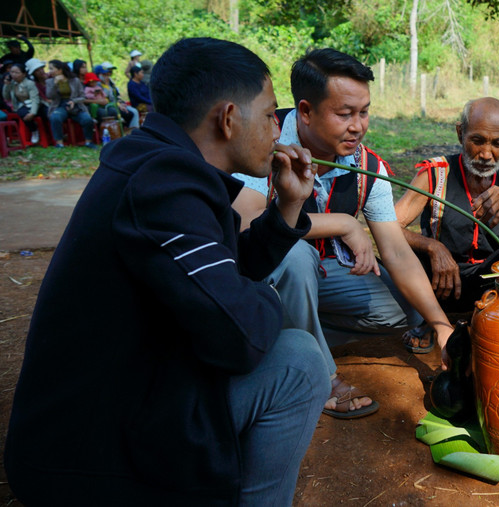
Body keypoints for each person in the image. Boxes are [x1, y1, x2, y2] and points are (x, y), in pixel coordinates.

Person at [3, 37, 330, 505]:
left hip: (124, 401)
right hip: (90, 461)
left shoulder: (154, 161)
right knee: (297, 361)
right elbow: (243, 337)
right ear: (228, 118)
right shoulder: (164, 185)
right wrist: (270, 298)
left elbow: (225, 269)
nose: (278, 130)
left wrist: (289, 207)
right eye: (269, 114)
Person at [231, 48, 454, 419]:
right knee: (295, 254)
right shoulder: (262, 144)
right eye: (344, 114)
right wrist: (345, 222)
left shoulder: (368, 166)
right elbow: (248, 222)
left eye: (363, 111)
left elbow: (397, 253)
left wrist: (440, 324)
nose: (358, 126)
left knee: (406, 309)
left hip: (320, 278)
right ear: (305, 111)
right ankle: (319, 375)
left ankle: (285, 335)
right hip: (255, 275)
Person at [394, 97, 499, 352]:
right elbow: (388, 226)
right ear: (461, 133)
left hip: (486, 283)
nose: (486, 154)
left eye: (498, 144)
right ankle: (431, 318)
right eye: (477, 140)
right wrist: (433, 247)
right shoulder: (436, 173)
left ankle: (485, 321)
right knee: (405, 252)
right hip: (435, 281)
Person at [46, 59, 96, 148]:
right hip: (60, 104)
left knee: (87, 119)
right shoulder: (50, 81)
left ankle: (88, 141)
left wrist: (74, 101)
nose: (50, 71)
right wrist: (55, 84)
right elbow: (49, 96)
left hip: (75, 104)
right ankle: (59, 143)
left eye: (52, 69)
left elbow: (83, 96)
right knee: (55, 117)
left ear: (60, 70)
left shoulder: (74, 80)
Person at [2, 62, 47, 144]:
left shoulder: (30, 83)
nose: (13, 75)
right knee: (22, 113)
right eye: (12, 72)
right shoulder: (12, 84)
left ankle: (45, 133)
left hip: (36, 104)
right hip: (23, 105)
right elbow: (6, 97)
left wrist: (33, 113)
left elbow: (35, 99)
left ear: (23, 74)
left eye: (17, 72)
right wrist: (6, 85)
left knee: (44, 113)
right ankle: (34, 130)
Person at [95, 62, 139, 129]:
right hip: (108, 106)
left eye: (110, 71)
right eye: (107, 72)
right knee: (127, 113)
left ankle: (133, 130)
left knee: (134, 111)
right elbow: (106, 97)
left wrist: (121, 103)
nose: (109, 73)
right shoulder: (97, 85)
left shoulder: (111, 82)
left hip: (116, 103)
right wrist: (118, 104)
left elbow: (116, 95)